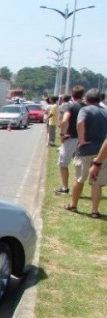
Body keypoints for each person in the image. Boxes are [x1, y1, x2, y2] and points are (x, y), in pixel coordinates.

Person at [64, 89, 107, 219]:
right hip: (102, 152)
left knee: (80, 179)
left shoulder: (85, 110)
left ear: (86, 100)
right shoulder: (105, 111)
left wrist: (81, 139)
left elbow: (80, 122)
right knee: (97, 182)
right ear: (100, 99)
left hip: (86, 149)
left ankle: (73, 204)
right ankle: (94, 210)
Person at [55, 86, 85, 195]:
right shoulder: (86, 107)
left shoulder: (71, 107)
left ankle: (65, 187)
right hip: (83, 139)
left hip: (71, 137)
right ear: (82, 95)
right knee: (79, 165)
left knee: (63, 163)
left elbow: (64, 121)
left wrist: (62, 134)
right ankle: (78, 187)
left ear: (72, 95)